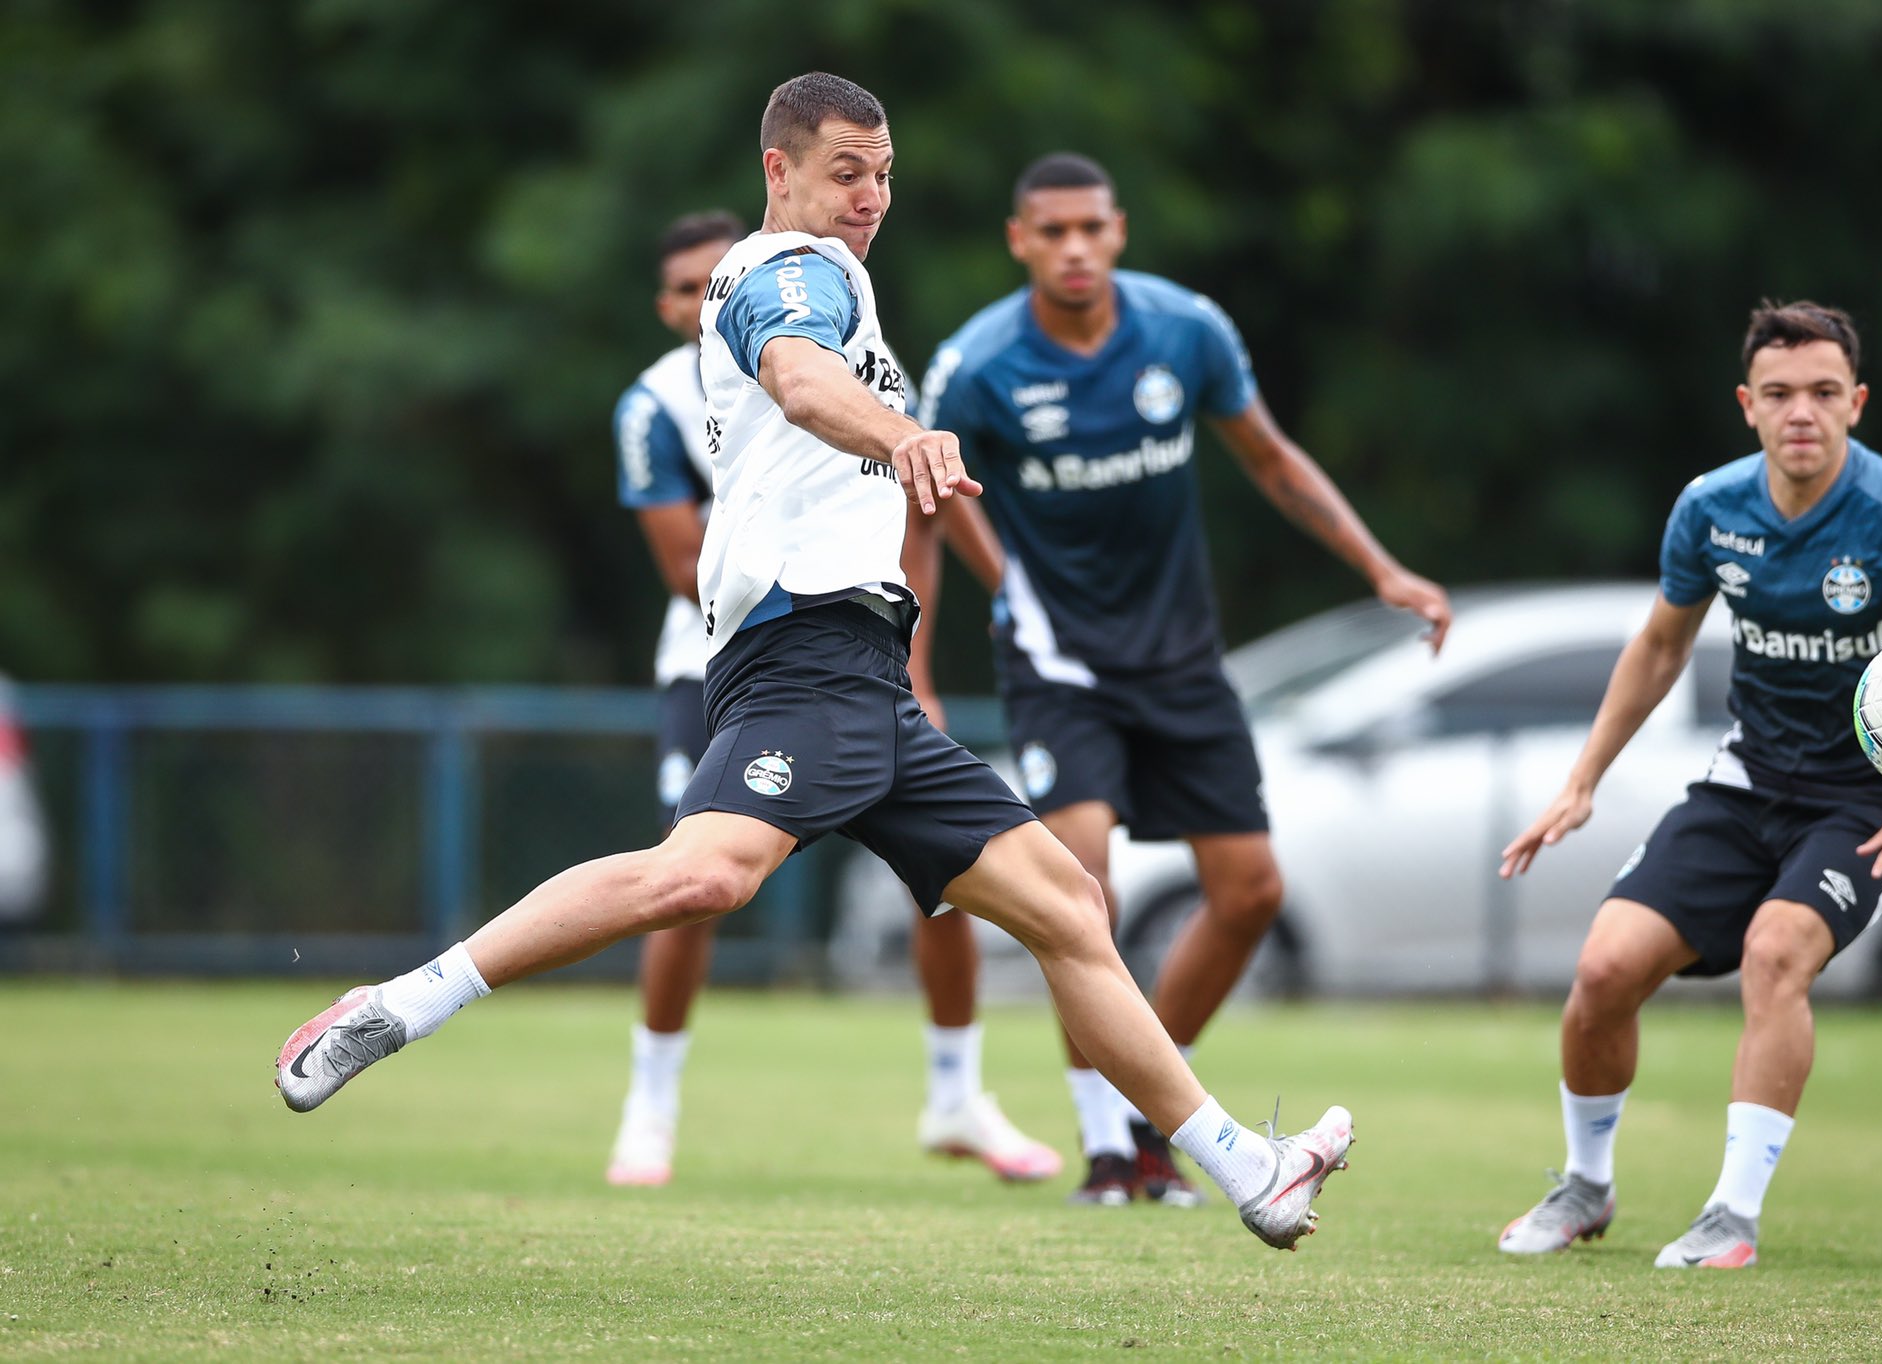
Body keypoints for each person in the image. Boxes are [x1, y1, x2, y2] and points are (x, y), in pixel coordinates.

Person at [275, 72, 1352, 1253]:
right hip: (804, 651)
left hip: (861, 672)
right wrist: (905, 435)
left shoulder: (825, 278)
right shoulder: (794, 271)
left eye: (884, 173)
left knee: (1066, 908)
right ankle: (400, 1005)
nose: (871, 195)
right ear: (778, 168)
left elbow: (819, 404)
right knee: (703, 879)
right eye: (847, 170)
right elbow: (799, 375)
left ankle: (1249, 1168)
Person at [917, 153, 1452, 1207]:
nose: (1073, 248)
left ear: (1118, 231)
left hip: (1182, 659)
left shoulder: (1185, 331)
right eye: (1051, 231)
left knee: (1250, 890)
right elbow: (924, 505)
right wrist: (922, 660)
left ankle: (1143, 1115)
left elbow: (1270, 456)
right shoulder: (975, 365)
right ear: (1018, 240)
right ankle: (1109, 1148)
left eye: (1091, 228)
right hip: (1058, 666)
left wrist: (1379, 564)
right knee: (1082, 881)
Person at [1494, 300, 1882, 1268]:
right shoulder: (1709, 507)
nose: (1801, 413)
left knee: (1774, 949)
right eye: (1778, 394)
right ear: (1745, 405)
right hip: (1745, 779)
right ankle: (1584, 1183)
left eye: (1823, 393)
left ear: (1855, 403)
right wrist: (1581, 780)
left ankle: (1729, 1215)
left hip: (1863, 796)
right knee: (1603, 969)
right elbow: (1659, 644)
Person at [604, 211, 1060, 1188]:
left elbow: (917, 508)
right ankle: (651, 1103)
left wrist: (920, 660)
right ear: (669, 304)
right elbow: (685, 562)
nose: (697, 303)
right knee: (692, 888)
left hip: (858, 660)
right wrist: (809, 614)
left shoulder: (845, 351)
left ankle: (955, 1091)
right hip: (729, 665)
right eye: (680, 290)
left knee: (945, 877)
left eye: (706, 282)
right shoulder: (654, 405)